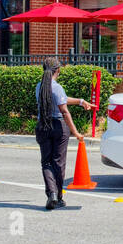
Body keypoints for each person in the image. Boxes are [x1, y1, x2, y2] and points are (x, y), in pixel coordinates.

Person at [35, 58, 94, 211]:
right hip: (59, 127)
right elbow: (64, 110)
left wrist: (81, 101)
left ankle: (52, 194)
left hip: (43, 126)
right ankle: (59, 198)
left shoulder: (39, 87)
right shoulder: (58, 88)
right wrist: (76, 132)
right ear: (58, 70)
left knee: (46, 162)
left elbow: (62, 100)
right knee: (58, 162)